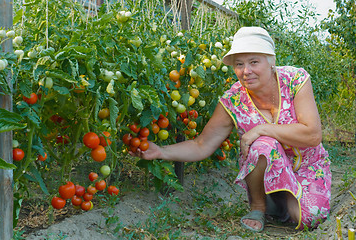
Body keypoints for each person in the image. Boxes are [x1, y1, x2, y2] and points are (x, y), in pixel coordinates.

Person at [130, 26, 331, 232]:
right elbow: (202, 144)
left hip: (307, 166)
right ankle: (259, 206)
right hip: (266, 162)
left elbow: (313, 135)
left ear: (271, 62)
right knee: (263, 145)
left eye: (254, 62)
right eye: (239, 64)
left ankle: (278, 199)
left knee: (309, 219)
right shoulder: (233, 100)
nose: (246, 71)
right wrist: (161, 152)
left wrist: (261, 128)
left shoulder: (295, 81)